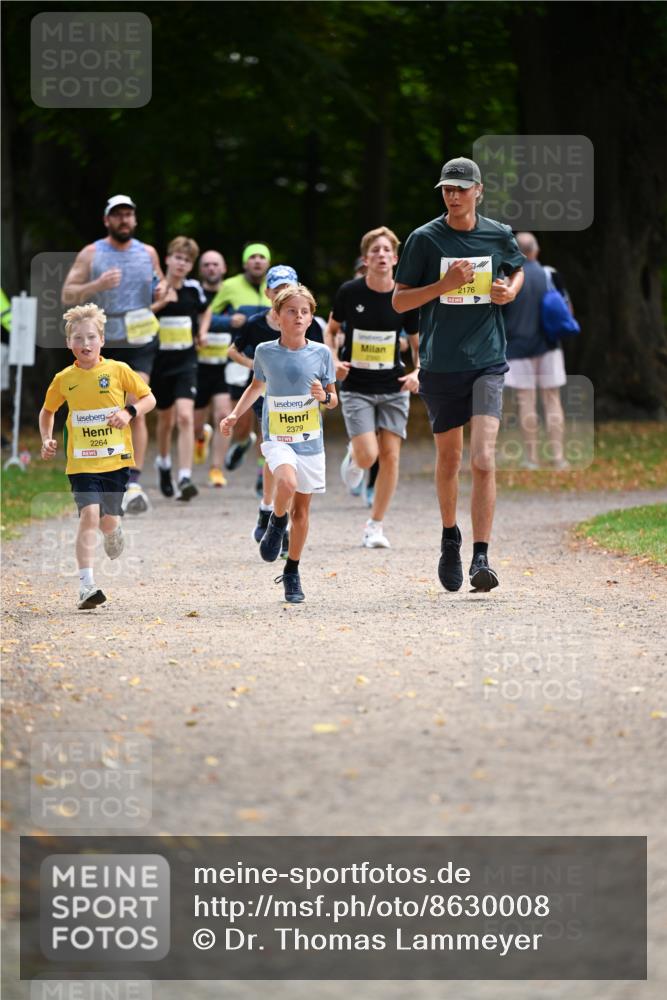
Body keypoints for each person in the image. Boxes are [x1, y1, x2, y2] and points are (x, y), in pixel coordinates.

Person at [393, 156, 525, 592]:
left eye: (461, 189)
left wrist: (509, 291)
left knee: (482, 458)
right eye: (447, 189)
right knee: (449, 459)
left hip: (487, 360)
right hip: (440, 364)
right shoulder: (424, 239)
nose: (453, 196)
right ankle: (450, 537)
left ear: (478, 191)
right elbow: (399, 301)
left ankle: (481, 556)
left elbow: (517, 270)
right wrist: (442, 286)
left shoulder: (498, 233)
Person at [220, 285, 337, 604]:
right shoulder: (265, 351)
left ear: (311, 318)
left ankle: (292, 571)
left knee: (302, 513)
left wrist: (324, 397)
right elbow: (256, 386)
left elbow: (333, 400)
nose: (298, 317)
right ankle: (276, 520)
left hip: (310, 441)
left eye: (304, 312)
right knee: (286, 481)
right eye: (292, 311)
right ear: (277, 315)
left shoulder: (322, 353)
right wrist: (234, 415)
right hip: (277, 437)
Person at [38, 303, 155, 609]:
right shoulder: (64, 378)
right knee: (89, 515)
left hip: (115, 461)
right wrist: (47, 438)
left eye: (91, 337)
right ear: (69, 343)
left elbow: (149, 398)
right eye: (78, 338)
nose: (85, 343)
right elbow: (47, 411)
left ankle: (113, 528)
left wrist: (129, 412)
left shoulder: (118, 370)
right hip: (81, 463)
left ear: (102, 339)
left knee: (107, 521)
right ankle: (86, 586)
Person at [62, 195, 163, 515]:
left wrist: (162, 291)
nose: (123, 220)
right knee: (105, 408)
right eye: (117, 215)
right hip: (102, 339)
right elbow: (67, 293)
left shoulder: (148, 253)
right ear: (107, 220)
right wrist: (96, 285)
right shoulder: (92, 253)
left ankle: (134, 481)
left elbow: (160, 286)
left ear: (135, 219)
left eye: (128, 214)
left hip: (141, 336)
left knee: (135, 402)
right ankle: (106, 472)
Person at [325, 227, 420, 549]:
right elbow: (331, 330)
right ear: (365, 259)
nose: (381, 255)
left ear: (395, 258)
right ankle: (356, 457)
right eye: (374, 250)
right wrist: (333, 360)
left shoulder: (405, 296)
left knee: (391, 457)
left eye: (386, 250)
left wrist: (418, 371)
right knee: (369, 456)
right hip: (357, 385)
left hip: (393, 385)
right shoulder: (350, 292)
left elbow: (417, 343)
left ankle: (375, 526)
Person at [227, 264, 325, 550]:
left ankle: (273, 512)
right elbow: (233, 350)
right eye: (278, 288)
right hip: (267, 397)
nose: (284, 292)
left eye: (289, 287)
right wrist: (256, 367)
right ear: (269, 293)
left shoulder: (307, 322)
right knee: (275, 450)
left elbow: (320, 360)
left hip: (302, 403)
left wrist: (323, 390)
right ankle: (269, 508)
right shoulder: (256, 324)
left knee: (292, 462)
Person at [199, 243, 271, 475]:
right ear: (245, 263)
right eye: (253, 257)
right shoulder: (230, 286)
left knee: (268, 417)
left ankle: (263, 472)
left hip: (270, 362)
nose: (257, 260)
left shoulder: (276, 286)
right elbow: (207, 316)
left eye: (262, 257)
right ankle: (243, 441)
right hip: (240, 359)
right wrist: (228, 321)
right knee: (240, 420)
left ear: (268, 263)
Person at [503, 233, 570, 470]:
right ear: (536, 250)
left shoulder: (507, 279)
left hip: (517, 347)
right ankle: (558, 457)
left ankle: (531, 458)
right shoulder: (550, 274)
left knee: (526, 402)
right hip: (548, 346)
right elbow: (566, 310)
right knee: (552, 400)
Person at [150, 236, 207, 501]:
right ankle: (163, 463)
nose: (182, 264)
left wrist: (202, 332)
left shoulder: (194, 289)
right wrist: (161, 303)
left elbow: (205, 311)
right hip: (160, 362)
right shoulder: (155, 288)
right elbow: (140, 317)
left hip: (187, 361)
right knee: (166, 420)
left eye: (187, 260)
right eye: (178, 258)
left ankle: (185, 477)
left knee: (185, 416)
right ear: (167, 259)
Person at [194, 249, 232, 485]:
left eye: (215, 264)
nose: (211, 268)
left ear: (224, 268)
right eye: (206, 264)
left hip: (224, 367)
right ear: (201, 269)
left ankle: (216, 469)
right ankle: (201, 436)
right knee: (194, 423)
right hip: (197, 366)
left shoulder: (232, 294)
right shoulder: (194, 294)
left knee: (223, 415)